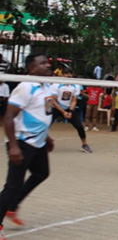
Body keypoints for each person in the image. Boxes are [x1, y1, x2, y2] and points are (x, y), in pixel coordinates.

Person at [0, 54, 55, 237]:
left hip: (38, 142)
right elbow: (8, 117)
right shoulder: (25, 87)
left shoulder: (45, 85)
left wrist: (47, 137)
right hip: (22, 142)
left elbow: (41, 113)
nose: (48, 65)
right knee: (12, 186)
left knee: (41, 173)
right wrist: (13, 146)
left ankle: (12, 207)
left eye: (47, 62)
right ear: (31, 68)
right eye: (43, 63)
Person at [50, 70, 91, 153]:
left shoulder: (76, 85)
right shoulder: (56, 85)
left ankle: (85, 144)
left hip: (68, 107)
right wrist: (62, 112)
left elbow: (74, 100)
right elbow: (53, 101)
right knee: (45, 125)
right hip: (56, 107)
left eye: (69, 73)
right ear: (62, 75)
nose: (68, 75)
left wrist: (71, 111)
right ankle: (38, 144)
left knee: (79, 125)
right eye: (66, 73)